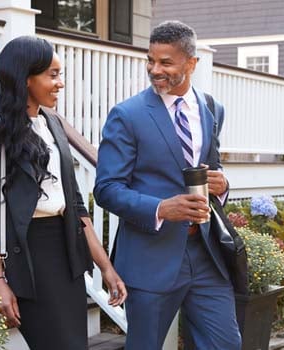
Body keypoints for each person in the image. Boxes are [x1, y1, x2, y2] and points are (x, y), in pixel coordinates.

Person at [0, 36, 127, 350]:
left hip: (67, 254)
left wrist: (105, 267)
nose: (60, 83)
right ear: (25, 78)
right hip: (28, 257)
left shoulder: (53, 123)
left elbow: (76, 206)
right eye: (52, 75)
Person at [94, 21, 241, 350]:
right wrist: (161, 208)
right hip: (150, 257)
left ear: (191, 63)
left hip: (205, 254)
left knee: (225, 343)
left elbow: (212, 167)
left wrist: (222, 184)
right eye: (151, 60)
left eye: (165, 62)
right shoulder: (127, 115)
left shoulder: (211, 109)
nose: (154, 70)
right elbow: (106, 188)